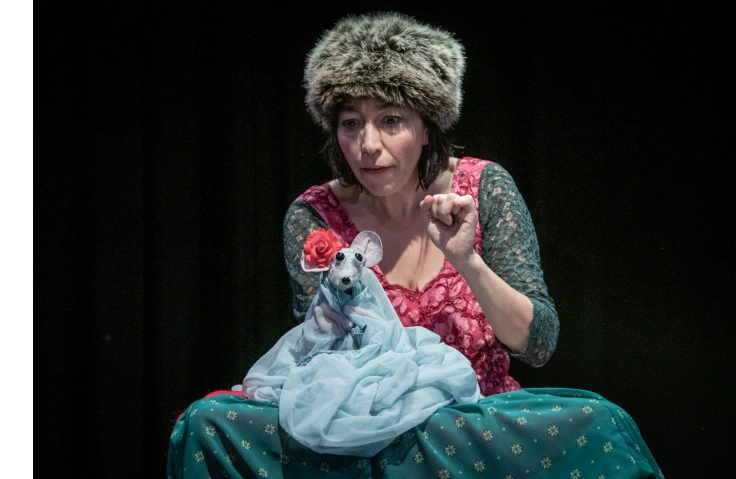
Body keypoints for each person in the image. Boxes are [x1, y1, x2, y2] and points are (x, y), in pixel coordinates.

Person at [168, 12, 662, 479]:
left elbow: (537, 345)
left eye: (390, 120)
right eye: (350, 122)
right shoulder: (314, 215)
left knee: (601, 422)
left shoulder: (483, 188)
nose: (368, 145)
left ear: (427, 127)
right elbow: (323, 356)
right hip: (365, 429)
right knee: (206, 421)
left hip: (473, 427)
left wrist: (466, 260)